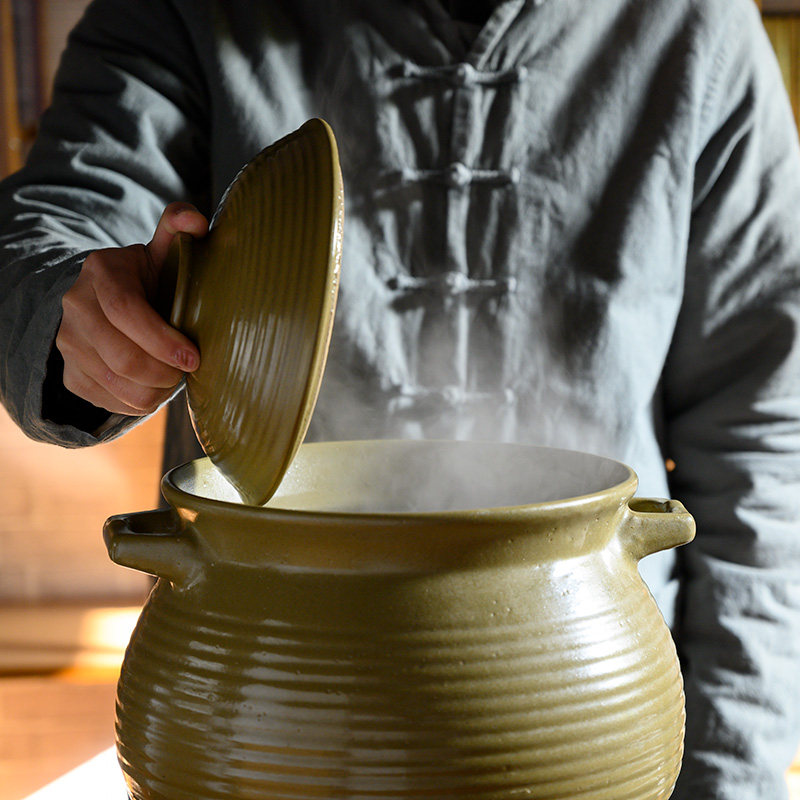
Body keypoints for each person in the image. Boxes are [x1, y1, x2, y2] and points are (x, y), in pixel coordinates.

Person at [2, 0, 800, 796]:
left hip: (599, 688)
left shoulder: (700, 27)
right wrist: (76, 311)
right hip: (263, 701)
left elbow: (766, 439)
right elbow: (54, 220)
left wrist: (727, 779)